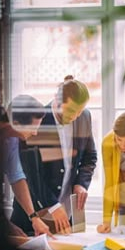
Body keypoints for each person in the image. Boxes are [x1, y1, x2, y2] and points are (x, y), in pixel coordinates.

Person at [0, 102, 53, 237]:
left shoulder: (13, 141)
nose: (35, 132)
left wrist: (34, 218)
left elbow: (16, 177)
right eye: (33, 127)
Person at [39, 75, 97, 226]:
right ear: (56, 100)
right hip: (38, 215)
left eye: (80, 110)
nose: (76, 116)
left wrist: (81, 183)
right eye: (71, 110)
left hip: (68, 214)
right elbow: (32, 175)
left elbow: (90, 156)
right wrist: (52, 204)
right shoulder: (38, 120)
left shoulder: (84, 117)